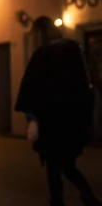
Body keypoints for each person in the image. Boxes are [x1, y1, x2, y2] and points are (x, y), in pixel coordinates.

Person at [15, 16, 101, 206]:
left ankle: (60, 200)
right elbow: (84, 84)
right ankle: (86, 195)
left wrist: (32, 117)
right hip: (72, 121)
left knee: (54, 167)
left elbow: (31, 87)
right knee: (67, 165)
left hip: (51, 122)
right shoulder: (74, 49)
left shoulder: (42, 54)